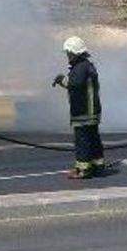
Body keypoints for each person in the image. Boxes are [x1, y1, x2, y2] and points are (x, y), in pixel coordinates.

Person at [53, 36, 105, 179]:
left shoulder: (80, 68)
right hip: (92, 111)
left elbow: (74, 84)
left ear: (74, 53)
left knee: (82, 140)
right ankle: (97, 165)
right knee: (93, 139)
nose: (68, 57)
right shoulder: (87, 65)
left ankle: (83, 170)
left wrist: (61, 80)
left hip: (83, 112)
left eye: (69, 54)